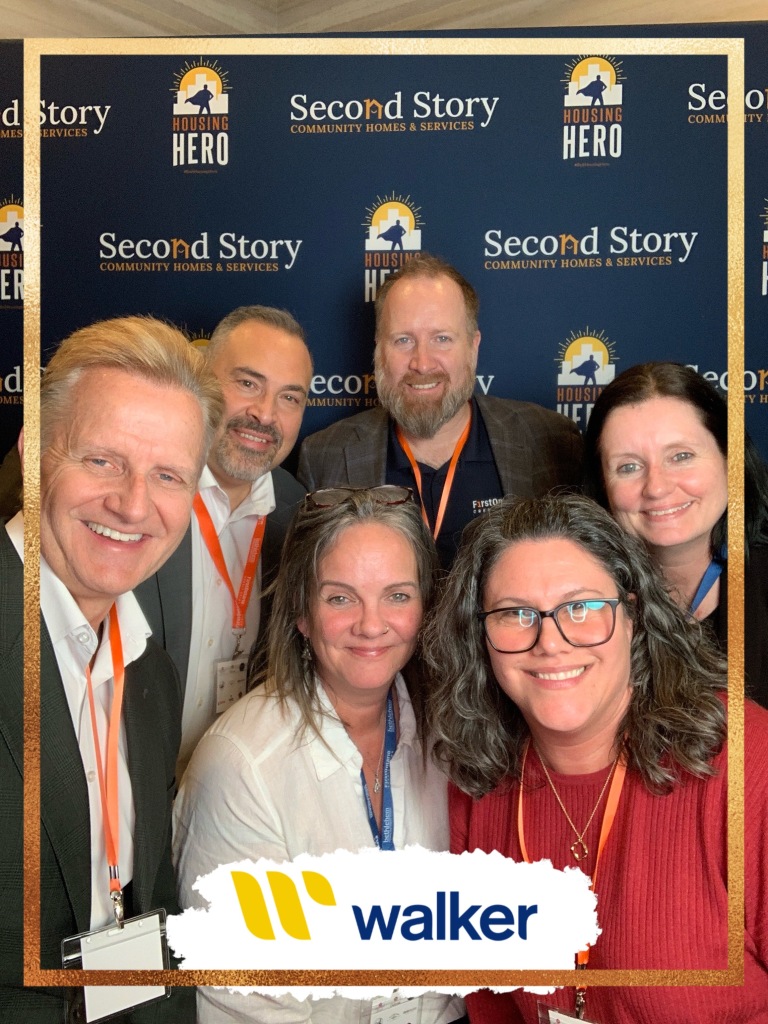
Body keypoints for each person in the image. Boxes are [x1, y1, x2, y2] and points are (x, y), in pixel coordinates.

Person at [424, 493, 768, 1023]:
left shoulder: (746, 759)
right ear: (479, 635)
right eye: (516, 613)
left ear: (632, 615)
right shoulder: (479, 777)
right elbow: (492, 1003)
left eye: (580, 607)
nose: (550, 643)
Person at [0, 315, 223, 1021]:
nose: (132, 505)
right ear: (34, 452)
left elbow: (148, 906)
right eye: (102, 460)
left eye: (167, 476)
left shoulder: (150, 672)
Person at [173, 486, 466, 1024]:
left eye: (397, 596)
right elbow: (247, 1003)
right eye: (340, 598)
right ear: (302, 614)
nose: (371, 624)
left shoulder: (451, 737)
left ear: (425, 608)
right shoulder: (242, 766)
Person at [0, 307, 313, 776]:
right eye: (248, 383)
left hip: (226, 784)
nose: (265, 413)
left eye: (290, 397)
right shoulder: (134, 515)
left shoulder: (296, 506)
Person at [297, 254, 582, 567]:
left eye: (442, 339)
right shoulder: (324, 457)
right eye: (403, 340)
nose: (422, 363)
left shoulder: (550, 442)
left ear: (473, 347)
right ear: (379, 348)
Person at [582, 361, 768, 708]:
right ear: (603, 486)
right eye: (628, 466)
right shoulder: (580, 600)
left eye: (681, 456)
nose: (656, 487)